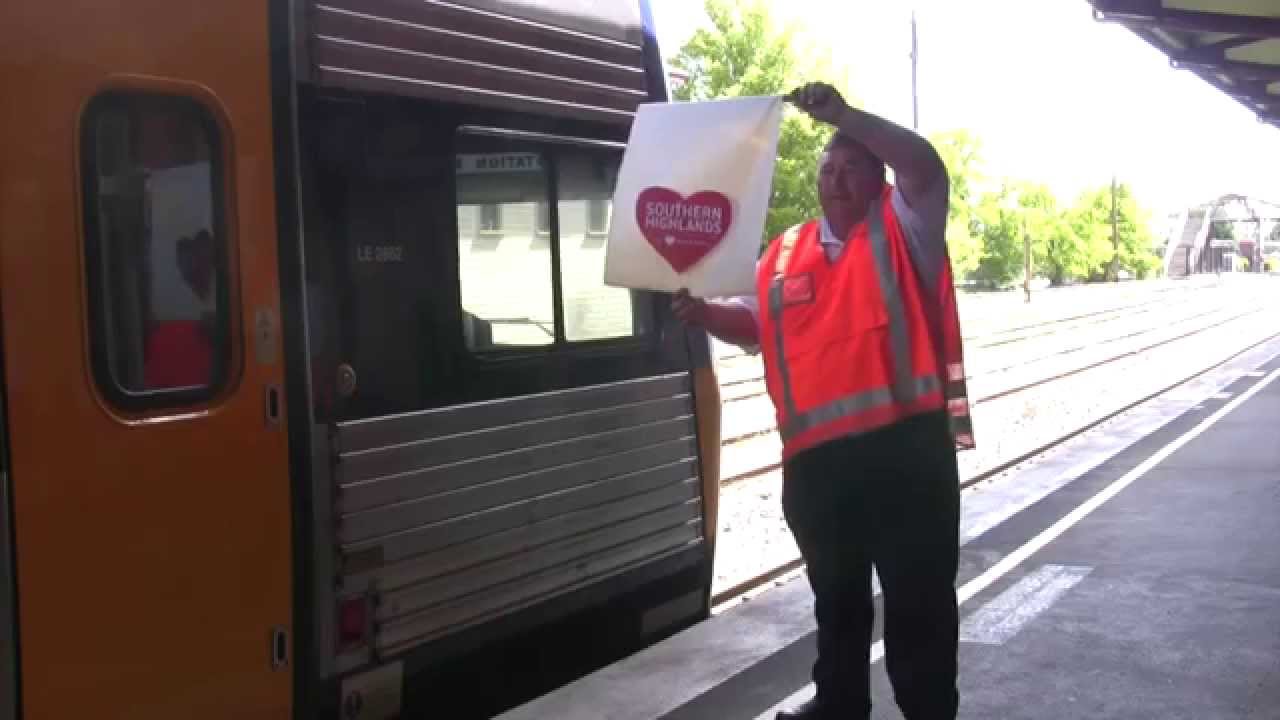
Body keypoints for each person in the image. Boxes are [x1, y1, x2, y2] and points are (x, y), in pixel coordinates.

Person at [672, 82, 974, 720]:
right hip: (817, 468)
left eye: (851, 168)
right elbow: (753, 324)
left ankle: (927, 710)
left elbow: (924, 163)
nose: (835, 180)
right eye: (827, 169)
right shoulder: (783, 254)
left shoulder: (905, 226)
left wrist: (847, 118)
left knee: (917, 603)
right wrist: (703, 314)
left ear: (876, 178)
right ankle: (839, 705)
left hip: (905, 457)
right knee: (837, 601)